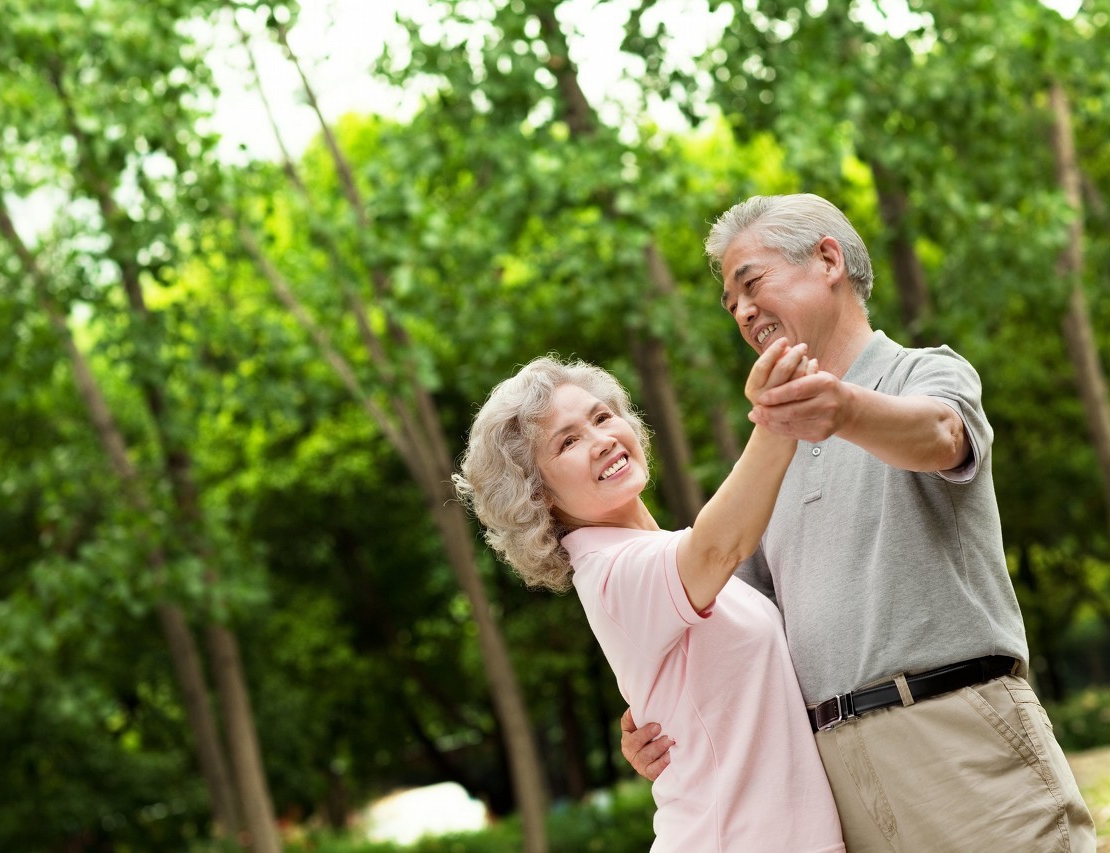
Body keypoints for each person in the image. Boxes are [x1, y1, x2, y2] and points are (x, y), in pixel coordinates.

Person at [620, 193, 1096, 851]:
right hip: (836, 782)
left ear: (827, 259)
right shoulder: (767, 460)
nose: (744, 311)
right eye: (730, 305)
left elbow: (938, 433)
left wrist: (839, 408)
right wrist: (663, 722)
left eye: (751, 284)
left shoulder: (926, 372)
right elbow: (741, 631)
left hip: (959, 744)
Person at [453, 346, 845, 852]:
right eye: (567, 441)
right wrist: (776, 419)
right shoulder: (614, 574)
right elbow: (718, 546)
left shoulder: (658, 553)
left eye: (601, 417)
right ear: (538, 494)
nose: (601, 440)